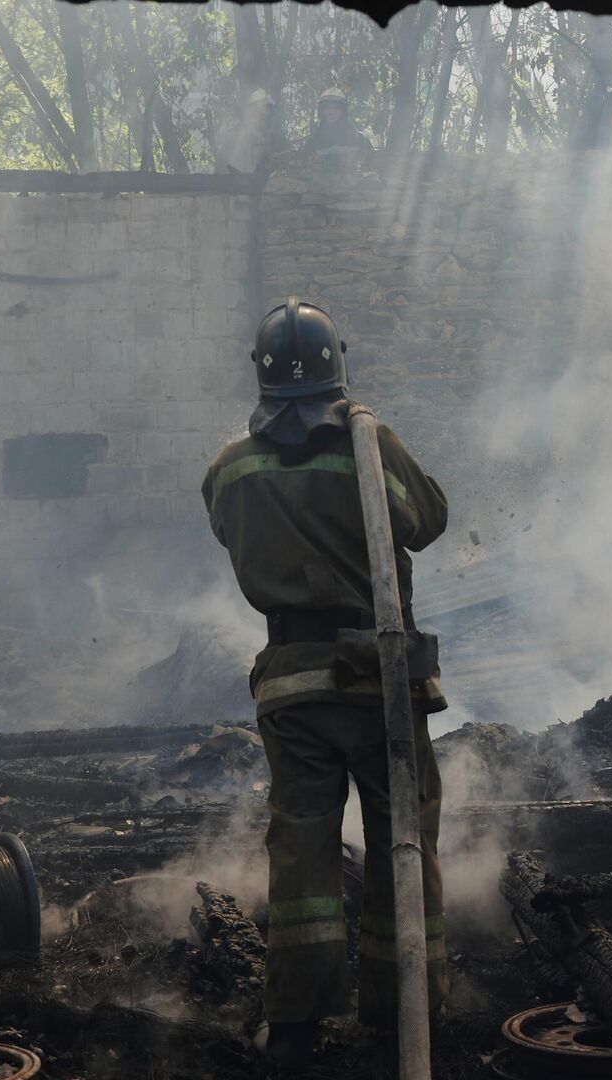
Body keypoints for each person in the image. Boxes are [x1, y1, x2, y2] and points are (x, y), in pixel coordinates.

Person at [201, 298, 448, 1070]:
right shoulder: (368, 444)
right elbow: (429, 519)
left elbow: (226, 527)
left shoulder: (231, 466)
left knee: (302, 848)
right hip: (379, 683)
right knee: (401, 838)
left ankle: (297, 1025)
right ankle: (401, 1010)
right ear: (339, 367)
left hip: (292, 688)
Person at [307, 87, 373, 152]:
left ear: (343, 112)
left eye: (337, 108)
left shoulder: (360, 140)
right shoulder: (312, 144)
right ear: (322, 111)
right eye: (327, 108)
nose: (332, 112)